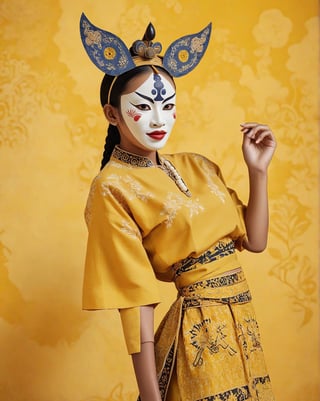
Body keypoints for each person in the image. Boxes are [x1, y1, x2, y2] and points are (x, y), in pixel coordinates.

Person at [80, 13, 276, 401]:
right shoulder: (112, 187)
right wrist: (151, 398)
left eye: (167, 105)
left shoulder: (198, 165)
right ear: (111, 113)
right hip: (198, 337)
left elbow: (254, 241)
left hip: (246, 330)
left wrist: (258, 172)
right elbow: (134, 300)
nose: (158, 118)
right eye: (143, 106)